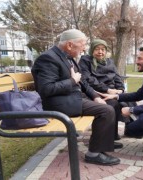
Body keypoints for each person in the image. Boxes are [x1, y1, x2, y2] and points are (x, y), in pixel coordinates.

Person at [31, 29, 122, 166]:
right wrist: (72, 81)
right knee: (106, 110)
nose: (84, 49)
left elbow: (83, 82)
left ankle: (101, 147)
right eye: (83, 45)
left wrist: (96, 96)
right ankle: (94, 154)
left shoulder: (68, 57)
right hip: (58, 103)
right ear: (69, 45)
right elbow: (46, 89)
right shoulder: (48, 58)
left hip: (71, 98)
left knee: (109, 104)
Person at [78, 39, 131, 140]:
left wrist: (120, 89)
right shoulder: (85, 60)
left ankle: (131, 129)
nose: (100, 52)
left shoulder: (109, 61)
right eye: (97, 49)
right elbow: (88, 79)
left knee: (130, 100)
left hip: (112, 91)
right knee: (113, 104)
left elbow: (117, 76)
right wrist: (107, 90)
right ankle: (107, 136)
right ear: (92, 50)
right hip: (96, 92)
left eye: (103, 49)